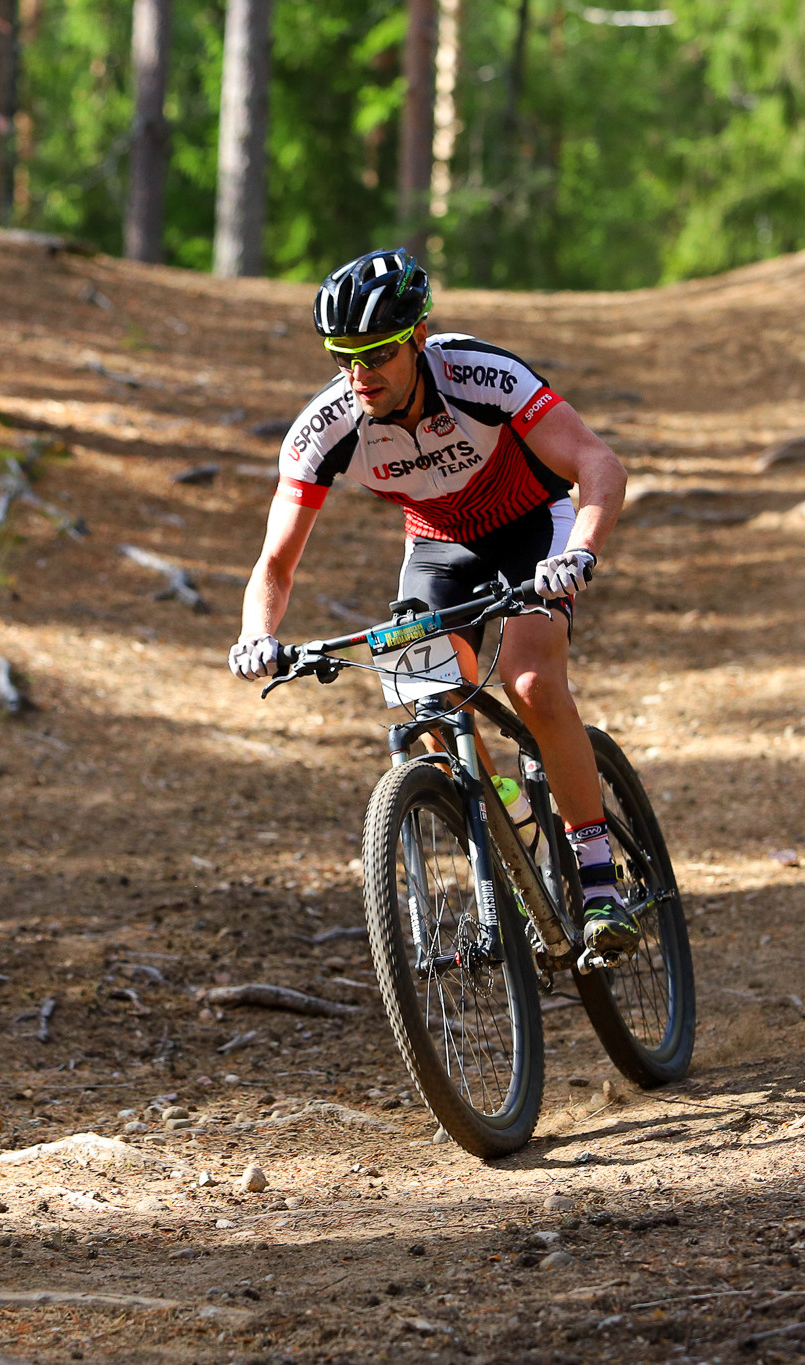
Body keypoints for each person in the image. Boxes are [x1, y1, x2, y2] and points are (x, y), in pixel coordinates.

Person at [227, 248, 636, 953]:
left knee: (532, 683)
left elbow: (598, 464)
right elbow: (275, 562)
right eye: (343, 358)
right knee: (430, 705)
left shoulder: (479, 374)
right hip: (438, 546)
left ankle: (601, 881)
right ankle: (510, 817)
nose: (362, 374)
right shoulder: (326, 429)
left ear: (418, 336)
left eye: (379, 353)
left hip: (533, 526)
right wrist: (256, 632)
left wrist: (580, 552)